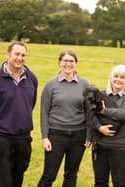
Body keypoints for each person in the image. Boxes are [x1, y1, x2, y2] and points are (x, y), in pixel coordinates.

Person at [0, 41, 38, 187]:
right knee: (3, 181)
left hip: (23, 139)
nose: (20, 58)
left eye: (23, 55)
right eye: (17, 54)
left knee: (18, 179)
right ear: (8, 55)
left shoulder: (31, 78)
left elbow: (31, 104)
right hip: (3, 138)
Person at [38, 49, 90, 187]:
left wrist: (89, 136)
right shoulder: (51, 85)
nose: (68, 64)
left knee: (71, 176)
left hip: (78, 137)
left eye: (71, 61)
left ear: (76, 63)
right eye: (65, 61)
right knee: (49, 175)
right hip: (56, 136)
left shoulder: (85, 84)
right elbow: (44, 112)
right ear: (60, 63)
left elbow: (89, 112)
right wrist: (45, 137)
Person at [91, 64, 125, 187]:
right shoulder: (101, 94)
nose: (118, 79)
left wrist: (104, 111)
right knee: (100, 182)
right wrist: (99, 128)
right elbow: (91, 114)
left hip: (120, 147)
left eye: (122, 77)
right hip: (100, 145)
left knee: (120, 183)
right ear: (110, 78)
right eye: (115, 76)